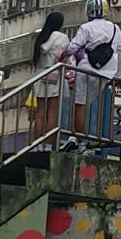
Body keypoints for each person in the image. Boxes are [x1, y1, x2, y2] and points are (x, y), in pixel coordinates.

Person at [63, 0, 121, 152]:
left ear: (88, 11)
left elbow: (72, 47)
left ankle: (80, 143)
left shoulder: (86, 28)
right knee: (88, 103)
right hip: (105, 75)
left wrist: (65, 55)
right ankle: (74, 138)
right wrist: (116, 75)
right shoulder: (114, 28)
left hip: (85, 69)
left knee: (80, 105)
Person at [33, 11, 70, 148]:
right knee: (53, 111)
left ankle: (37, 145)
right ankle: (47, 145)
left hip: (40, 74)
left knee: (40, 112)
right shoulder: (62, 37)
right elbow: (68, 55)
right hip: (55, 73)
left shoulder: (42, 37)